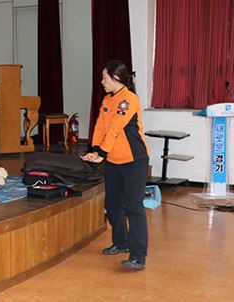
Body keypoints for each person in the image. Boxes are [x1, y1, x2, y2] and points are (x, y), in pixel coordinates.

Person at [81, 60, 150, 270]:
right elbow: (101, 125)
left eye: (104, 78)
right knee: (112, 206)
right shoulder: (107, 100)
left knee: (134, 208)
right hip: (113, 161)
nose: (102, 82)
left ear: (116, 78)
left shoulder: (128, 100)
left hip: (134, 162)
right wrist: (94, 149)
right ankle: (121, 243)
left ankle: (138, 256)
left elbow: (116, 129)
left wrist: (102, 153)